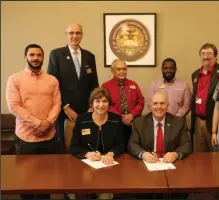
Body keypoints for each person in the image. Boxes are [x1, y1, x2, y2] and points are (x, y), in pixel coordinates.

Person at [6, 44, 61, 200]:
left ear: (43, 57)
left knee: (46, 181)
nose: (36, 58)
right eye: (32, 55)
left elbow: (57, 103)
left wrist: (48, 123)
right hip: (25, 138)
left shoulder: (52, 80)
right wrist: (38, 123)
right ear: (26, 57)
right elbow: (14, 106)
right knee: (25, 181)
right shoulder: (15, 79)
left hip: (48, 137)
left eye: (39, 55)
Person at [47, 23, 99, 151]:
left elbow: (94, 84)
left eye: (78, 33)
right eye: (71, 33)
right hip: (64, 111)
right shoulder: (56, 54)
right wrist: (65, 107)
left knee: (85, 144)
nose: (74, 36)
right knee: (65, 146)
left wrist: (92, 106)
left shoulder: (89, 56)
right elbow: (52, 85)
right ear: (66, 35)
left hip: (86, 111)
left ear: (82, 35)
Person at [70, 87, 124, 200]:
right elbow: (74, 146)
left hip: (108, 168)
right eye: (97, 101)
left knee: (106, 196)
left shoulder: (116, 120)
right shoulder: (82, 120)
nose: (101, 105)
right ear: (92, 103)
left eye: (104, 101)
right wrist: (87, 154)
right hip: (85, 168)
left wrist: (111, 153)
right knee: (79, 193)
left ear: (109, 103)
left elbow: (120, 144)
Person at [128, 93, 192, 163]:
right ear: (150, 107)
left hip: (171, 163)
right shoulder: (139, 122)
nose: (159, 107)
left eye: (162, 103)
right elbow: (132, 144)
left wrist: (175, 154)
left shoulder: (178, 122)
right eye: (155, 103)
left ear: (167, 106)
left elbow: (186, 144)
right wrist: (143, 154)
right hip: (148, 163)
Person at [102, 59, 144, 152]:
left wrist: (131, 115)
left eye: (124, 69)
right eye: (118, 69)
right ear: (112, 71)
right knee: (117, 151)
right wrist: (121, 117)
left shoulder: (133, 84)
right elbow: (105, 105)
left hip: (132, 124)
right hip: (114, 124)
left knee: (131, 150)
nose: (122, 72)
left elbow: (141, 102)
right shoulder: (106, 86)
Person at [190, 43, 219, 152]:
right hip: (198, 121)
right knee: (200, 157)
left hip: (215, 121)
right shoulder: (195, 74)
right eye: (203, 54)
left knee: (216, 156)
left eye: (209, 54)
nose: (206, 57)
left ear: (215, 56)